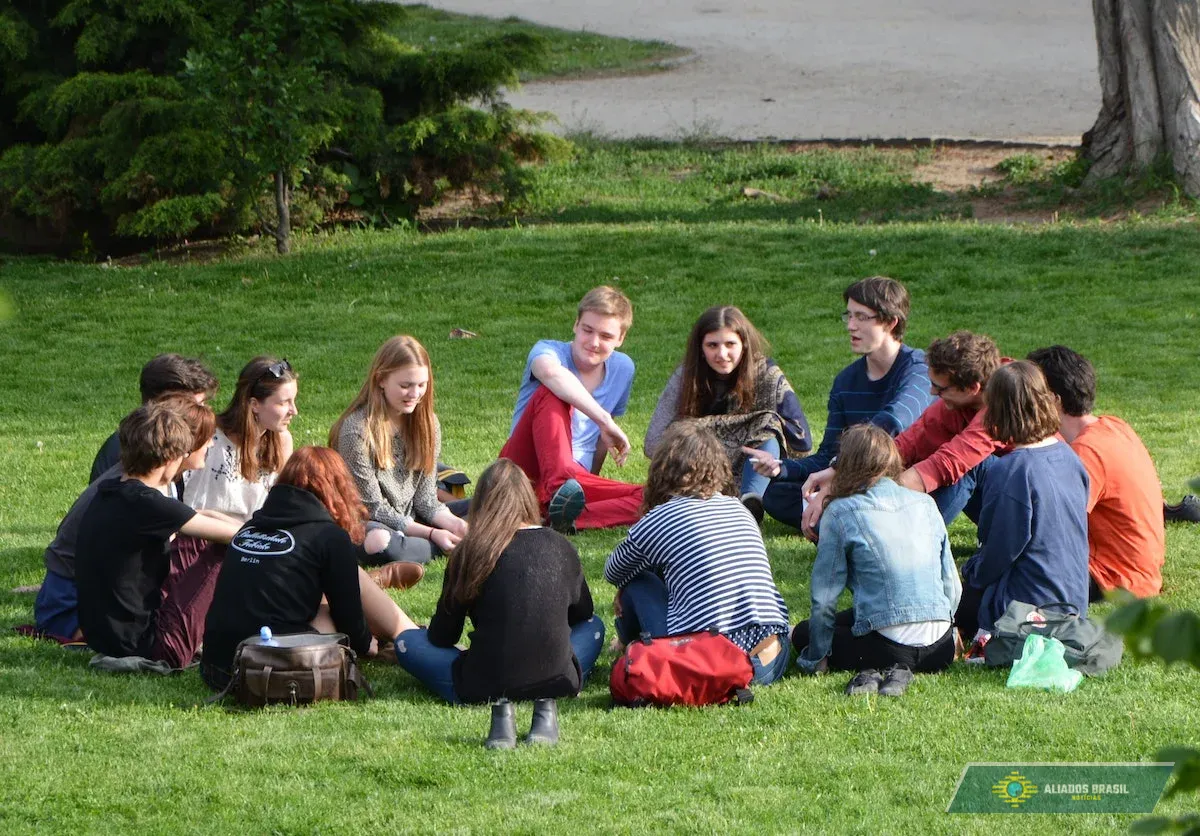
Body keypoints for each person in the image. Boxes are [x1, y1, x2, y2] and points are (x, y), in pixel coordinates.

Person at [394, 459, 604, 749]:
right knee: (595, 627)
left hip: (483, 682)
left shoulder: (470, 552)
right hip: (558, 678)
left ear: (481, 502)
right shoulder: (560, 545)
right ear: (527, 500)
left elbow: (442, 636)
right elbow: (584, 614)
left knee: (407, 641)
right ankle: (551, 685)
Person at [200, 446, 420, 690]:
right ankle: (413, 640)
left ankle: (400, 628)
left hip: (216, 668)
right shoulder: (328, 536)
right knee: (330, 601)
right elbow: (347, 614)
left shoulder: (249, 528)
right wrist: (365, 642)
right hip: (269, 664)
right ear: (337, 490)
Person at [604, 424, 791, 687]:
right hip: (770, 658)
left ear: (663, 470)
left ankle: (630, 643)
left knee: (637, 581)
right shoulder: (739, 510)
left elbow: (613, 570)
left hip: (705, 659)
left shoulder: (662, 517)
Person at [791, 425, 960, 697]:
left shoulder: (840, 511)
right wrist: (946, 630)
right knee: (843, 622)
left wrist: (816, 657)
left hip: (888, 646)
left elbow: (824, 599)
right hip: (941, 647)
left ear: (845, 465)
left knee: (802, 633)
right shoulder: (926, 504)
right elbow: (952, 584)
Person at [753, 277, 933, 529]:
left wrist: (838, 471)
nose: (850, 325)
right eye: (848, 315)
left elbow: (894, 420)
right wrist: (781, 468)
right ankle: (853, 516)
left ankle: (845, 514)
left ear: (891, 322)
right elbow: (828, 453)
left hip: (904, 480)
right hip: (852, 478)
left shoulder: (918, 369)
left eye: (861, 317)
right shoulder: (846, 381)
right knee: (776, 493)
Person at [36, 394, 216, 642]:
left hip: (99, 605)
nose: (211, 446)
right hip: (72, 605)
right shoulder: (141, 495)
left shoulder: (128, 483)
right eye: (207, 439)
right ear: (179, 448)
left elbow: (192, 521)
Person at [75, 402, 241, 666]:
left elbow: (195, 518)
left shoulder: (110, 492)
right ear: (171, 457)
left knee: (196, 538)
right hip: (150, 646)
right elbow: (237, 537)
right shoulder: (148, 503)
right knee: (224, 550)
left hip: (104, 637)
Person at [797, 330, 1007, 538]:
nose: (932, 393)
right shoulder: (957, 404)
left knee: (971, 464)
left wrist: (868, 501)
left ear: (972, 388)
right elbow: (906, 445)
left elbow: (947, 463)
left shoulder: (1006, 397)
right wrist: (839, 473)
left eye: (939, 388)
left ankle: (897, 541)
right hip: (1001, 500)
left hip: (1026, 516)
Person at [955, 361, 1090, 651]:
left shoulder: (1011, 472)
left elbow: (998, 553)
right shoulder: (1070, 458)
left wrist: (968, 571)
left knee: (946, 601)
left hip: (1027, 609)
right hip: (1073, 601)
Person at [643, 305, 810, 520]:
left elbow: (802, 442)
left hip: (756, 465)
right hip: (701, 465)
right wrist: (707, 441)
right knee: (682, 431)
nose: (722, 354)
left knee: (767, 422)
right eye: (712, 345)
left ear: (744, 345)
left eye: (730, 344)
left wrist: (768, 451)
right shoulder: (687, 375)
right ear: (701, 348)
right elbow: (653, 442)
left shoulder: (767, 374)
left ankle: (750, 503)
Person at [500, 286, 644, 531]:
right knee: (553, 391)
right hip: (522, 472)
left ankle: (559, 516)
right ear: (576, 325)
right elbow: (550, 373)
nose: (594, 342)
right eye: (587, 330)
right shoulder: (548, 351)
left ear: (621, 339)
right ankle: (556, 490)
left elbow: (601, 442)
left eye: (606, 336)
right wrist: (604, 419)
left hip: (575, 479)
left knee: (652, 498)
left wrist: (591, 479)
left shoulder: (623, 369)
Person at [1028, 345, 1165, 599]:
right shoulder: (1112, 426)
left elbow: (1050, 529)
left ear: (1054, 400)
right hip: (1137, 570)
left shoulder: (1085, 453)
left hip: (1113, 577)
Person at [331, 336, 468, 571]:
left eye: (421, 385)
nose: (414, 394)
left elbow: (426, 500)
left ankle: (452, 540)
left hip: (413, 517)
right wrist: (434, 533)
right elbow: (372, 509)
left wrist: (455, 525)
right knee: (380, 543)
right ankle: (451, 544)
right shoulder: (355, 431)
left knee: (489, 506)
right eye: (405, 386)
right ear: (381, 380)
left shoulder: (428, 424)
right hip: (369, 524)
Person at [89, 354, 219, 482]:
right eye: (198, 405)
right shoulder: (136, 453)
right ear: (170, 404)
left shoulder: (166, 445)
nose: (203, 412)